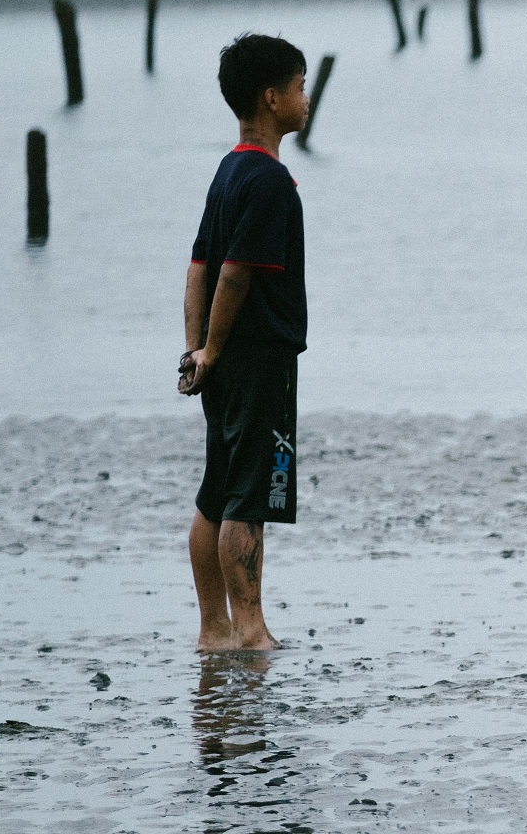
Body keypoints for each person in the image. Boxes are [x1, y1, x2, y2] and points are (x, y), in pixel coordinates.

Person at [178, 34, 312, 651]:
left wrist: (198, 352)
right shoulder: (269, 181)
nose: (305, 99)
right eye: (300, 87)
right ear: (272, 97)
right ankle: (252, 631)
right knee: (249, 497)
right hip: (259, 359)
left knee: (215, 492)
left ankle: (215, 632)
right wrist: (214, 347)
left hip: (223, 360)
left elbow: (198, 267)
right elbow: (231, 271)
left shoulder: (227, 170)